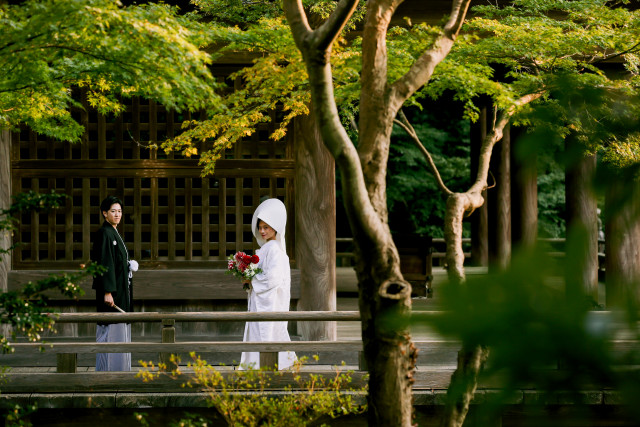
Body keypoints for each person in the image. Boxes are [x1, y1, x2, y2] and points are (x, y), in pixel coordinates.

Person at [239, 198, 296, 370]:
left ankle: (270, 366)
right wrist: (249, 278)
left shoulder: (275, 251)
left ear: (275, 228)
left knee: (270, 331)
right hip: (262, 300)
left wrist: (252, 279)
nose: (262, 231)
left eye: (266, 227)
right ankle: (259, 366)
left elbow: (273, 278)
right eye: (260, 227)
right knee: (261, 332)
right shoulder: (267, 248)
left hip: (270, 302)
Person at [91, 196, 138, 371]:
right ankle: (108, 372)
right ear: (105, 213)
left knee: (120, 329)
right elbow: (105, 263)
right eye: (113, 211)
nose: (117, 214)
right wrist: (107, 291)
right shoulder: (105, 233)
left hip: (121, 289)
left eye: (119, 211)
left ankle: (121, 370)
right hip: (112, 292)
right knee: (110, 330)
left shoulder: (114, 232)